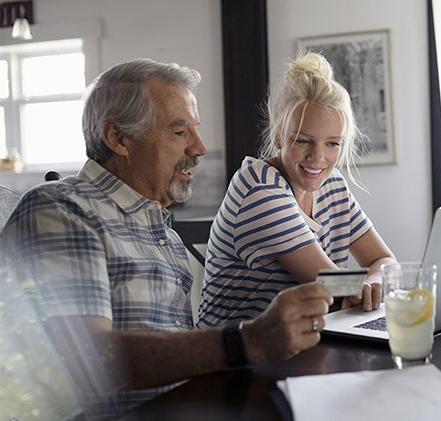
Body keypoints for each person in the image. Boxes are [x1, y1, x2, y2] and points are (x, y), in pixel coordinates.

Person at [0, 59, 332, 419]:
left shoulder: (163, 233)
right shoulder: (63, 208)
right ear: (119, 138)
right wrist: (245, 340)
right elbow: (87, 356)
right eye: (179, 132)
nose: (200, 147)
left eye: (196, 129)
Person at [198, 52, 396, 327]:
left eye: (333, 144)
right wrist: (358, 283)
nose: (318, 158)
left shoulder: (334, 185)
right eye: (303, 141)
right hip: (237, 356)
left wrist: (374, 279)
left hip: (306, 341)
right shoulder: (260, 188)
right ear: (279, 135)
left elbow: (385, 261)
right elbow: (330, 284)